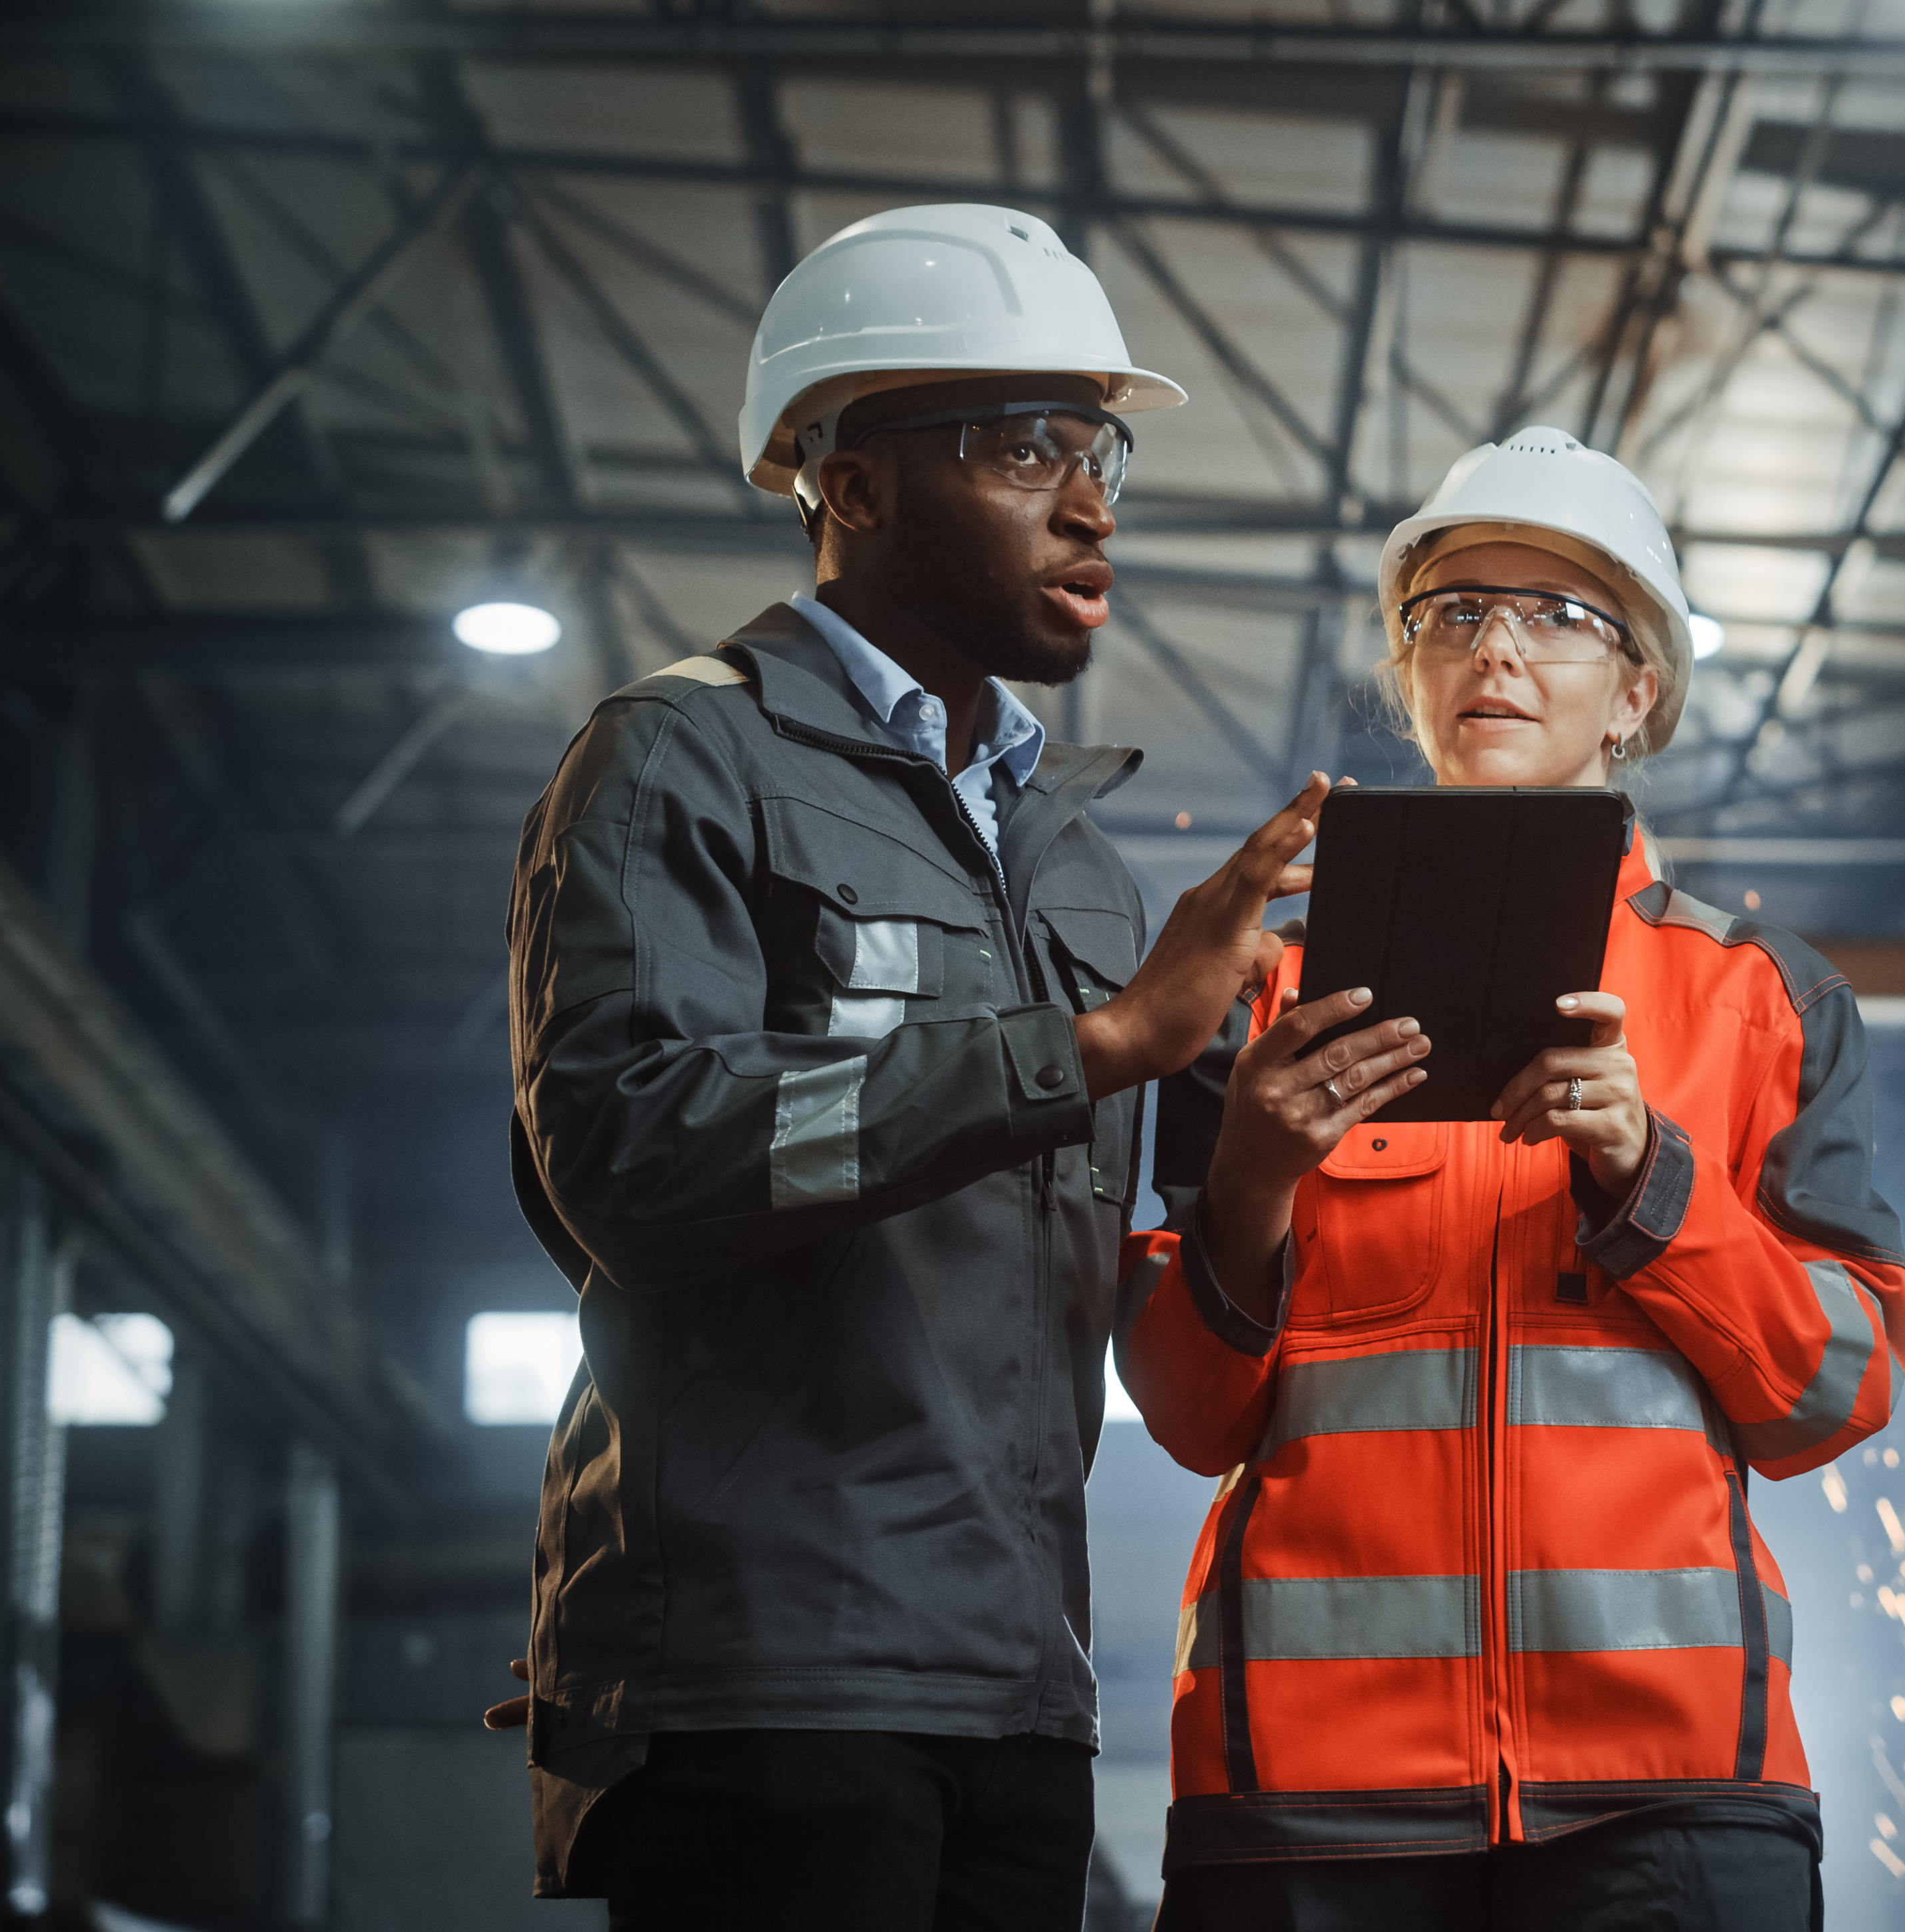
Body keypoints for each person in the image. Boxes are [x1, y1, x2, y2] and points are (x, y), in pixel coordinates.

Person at [496, 203, 1320, 1930]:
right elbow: (642, 1161)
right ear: (846, 483)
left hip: (1019, 1693)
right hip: (764, 1688)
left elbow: (1160, 1288)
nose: (1091, 499)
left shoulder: (1075, 869)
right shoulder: (680, 761)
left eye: (1098, 449)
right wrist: (1086, 1047)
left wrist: (1261, 1138)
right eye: (1025, 448)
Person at [1116, 427, 1905, 1930]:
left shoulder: (1761, 998)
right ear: (1411, 674)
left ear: (1637, 695)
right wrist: (1251, 1179)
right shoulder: (1251, 991)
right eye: (1454, 610)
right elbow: (1183, 1408)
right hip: (1306, 1795)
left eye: (1562, 614)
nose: (1496, 646)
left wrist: (1647, 1178)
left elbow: (1833, 1391)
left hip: (1671, 1793)